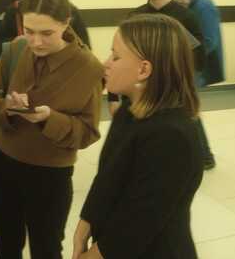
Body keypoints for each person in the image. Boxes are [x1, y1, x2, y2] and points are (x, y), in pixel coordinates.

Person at [0, 0, 104, 259]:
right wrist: (8, 109)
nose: (36, 42)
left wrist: (51, 119)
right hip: (2, 164)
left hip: (50, 175)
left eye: (46, 33)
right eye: (29, 30)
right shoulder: (16, 49)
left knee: (46, 249)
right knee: (6, 244)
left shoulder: (88, 68)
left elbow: (88, 133)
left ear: (66, 24)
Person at [72, 14, 204, 259]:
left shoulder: (171, 136)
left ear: (144, 69)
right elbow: (108, 177)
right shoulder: (128, 111)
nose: (106, 63)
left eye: (116, 56)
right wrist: (85, 222)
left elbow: (139, 222)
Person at [177, 0, 223, 169]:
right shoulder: (182, 3)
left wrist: (188, 58)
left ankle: (205, 156)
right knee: (187, 108)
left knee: (189, 108)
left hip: (196, 66)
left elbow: (210, 41)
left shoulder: (204, 5)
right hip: (183, 65)